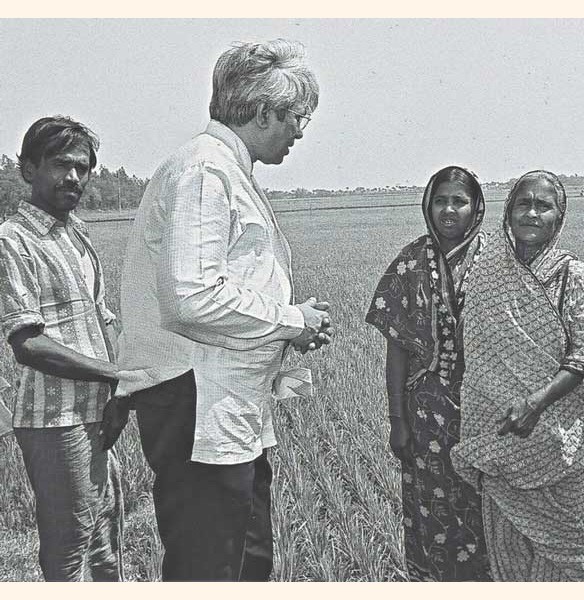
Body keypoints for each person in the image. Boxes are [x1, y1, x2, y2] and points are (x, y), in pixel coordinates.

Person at [116, 39, 334, 581]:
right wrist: (291, 320)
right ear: (263, 112)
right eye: (297, 117)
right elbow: (191, 297)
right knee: (210, 566)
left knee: (243, 559)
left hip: (223, 403)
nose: (300, 132)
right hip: (196, 400)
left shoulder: (223, 169)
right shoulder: (205, 172)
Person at [451, 170, 584, 581]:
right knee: (507, 551)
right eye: (523, 203)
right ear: (507, 213)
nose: (531, 213)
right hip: (501, 435)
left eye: (543, 206)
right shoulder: (487, 272)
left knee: (564, 553)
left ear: (559, 218)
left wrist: (536, 401)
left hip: (560, 438)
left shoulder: (571, 275)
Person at [0, 116, 127, 580]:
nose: (73, 177)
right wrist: (117, 376)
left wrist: (119, 392)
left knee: (107, 547)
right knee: (69, 551)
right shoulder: (12, 241)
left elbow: (101, 315)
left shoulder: (76, 232)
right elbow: (27, 343)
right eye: (59, 164)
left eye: (83, 167)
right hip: (54, 419)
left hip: (97, 410)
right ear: (28, 169)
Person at [365, 166, 491, 581]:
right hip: (426, 419)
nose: (449, 210)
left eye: (459, 200)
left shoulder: (499, 262)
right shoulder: (410, 263)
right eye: (441, 200)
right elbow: (396, 354)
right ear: (427, 206)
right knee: (432, 517)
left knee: (490, 517)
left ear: (477, 207)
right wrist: (397, 421)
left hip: (488, 415)